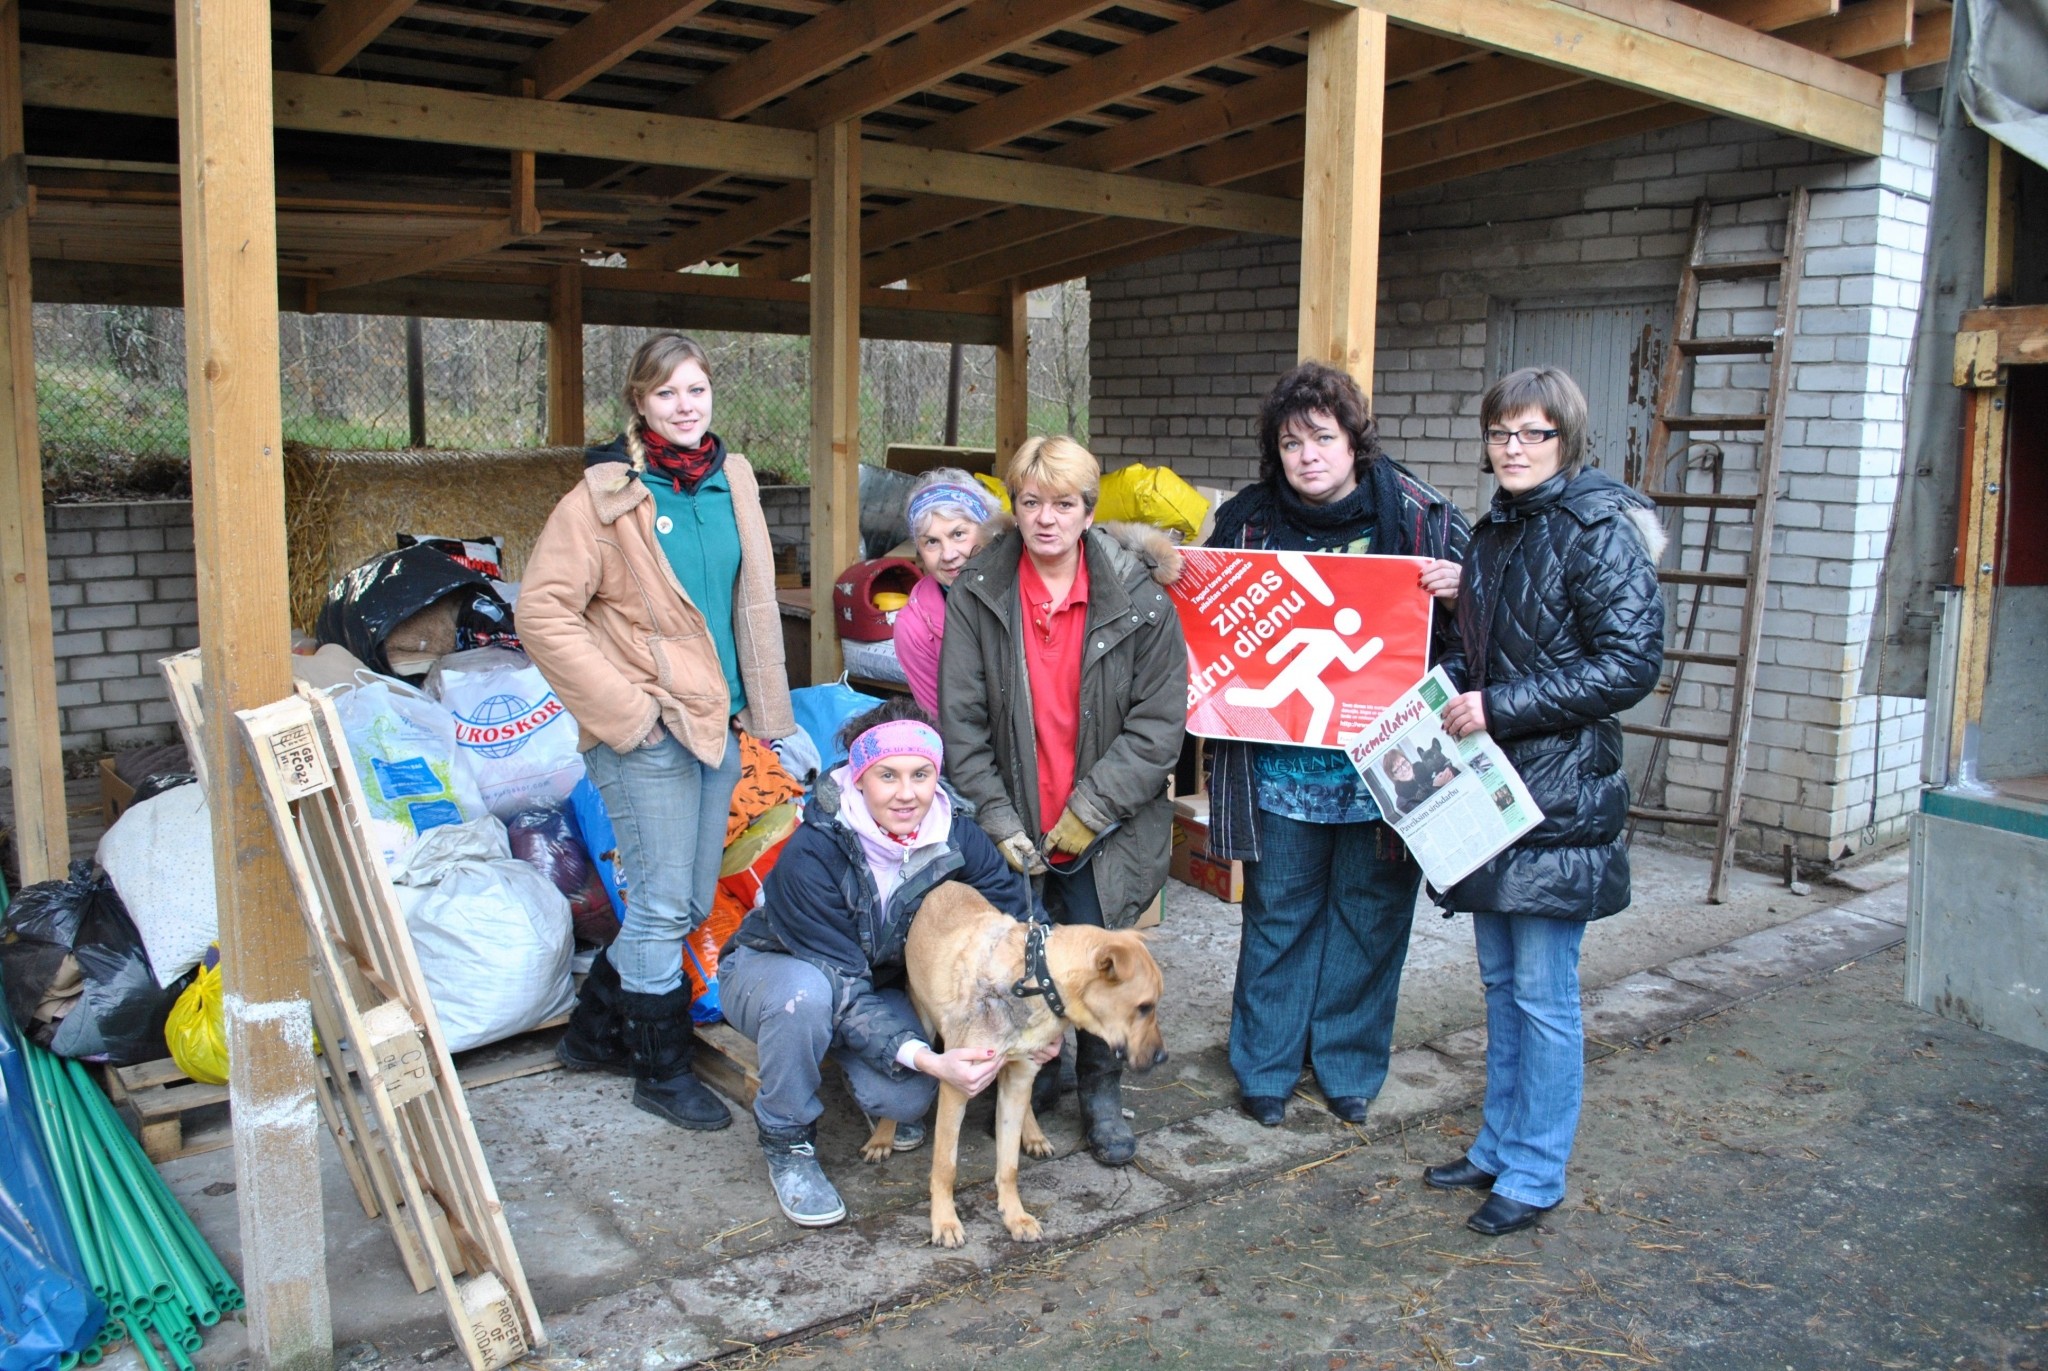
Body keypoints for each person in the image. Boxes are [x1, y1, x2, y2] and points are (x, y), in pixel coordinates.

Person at [521, 332, 793, 1132]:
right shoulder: (603, 498)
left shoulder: (731, 480)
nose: (685, 406)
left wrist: (764, 713)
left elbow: (752, 599)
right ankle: (660, 1067)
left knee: (686, 893)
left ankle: (591, 1034)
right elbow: (541, 612)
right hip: (646, 726)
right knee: (666, 901)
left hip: (719, 719)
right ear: (640, 403)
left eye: (697, 391)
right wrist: (626, 713)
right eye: (667, 393)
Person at [1424, 366, 1666, 1236]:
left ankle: (1535, 1169)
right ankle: (1498, 1143)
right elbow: (1499, 654)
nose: (1514, 449)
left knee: (1543, 990)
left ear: (1567, 440)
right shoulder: (1494, 535)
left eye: (1534, 434)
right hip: (1495, 798)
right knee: (1499, 984)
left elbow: (1630, 665)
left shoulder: (1596, 531)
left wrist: (1498, 705)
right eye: (1501, 434)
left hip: (1560, 793)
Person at [1203, 361, 1469, 1130]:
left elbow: (1478, 631)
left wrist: (1466, 590)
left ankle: (1349, 1066)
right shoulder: (1248, 524)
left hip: (1387, 771)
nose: (1308, 455)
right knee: (1279, 914)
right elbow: (1210, 625)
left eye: (1323, 437)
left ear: (1355, 442)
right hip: (1282, 767)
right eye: (1291, 442)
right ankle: (1266, 1067)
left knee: (1370, 914)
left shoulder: (1419, 517)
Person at [939, 434, 1188, 1167]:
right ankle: (1032, 1080)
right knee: (1027, 959)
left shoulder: (1140, 598)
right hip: (1017, 814)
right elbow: (963, 722)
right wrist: (996, 816)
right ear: (1016, 507)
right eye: (1032, 502)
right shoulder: (979, 590)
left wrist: (1089, 812)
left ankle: (1102, 1089)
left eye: (1066, 503)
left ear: (1088, 509)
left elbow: (1157, 724)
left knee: (1099, 950)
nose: (1047, 518)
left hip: (1104, 824)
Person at [719, 700, 1046, 1227]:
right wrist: (931, 1058)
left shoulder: (956, 836)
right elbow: (842, 987)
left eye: (920, 774)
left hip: (874, 984)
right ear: (858, 777)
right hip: (778, 970)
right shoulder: (815, 851)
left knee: (907, 1098)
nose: (906, 792)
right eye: (887, 775)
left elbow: (1022, 921)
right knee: (807, 999)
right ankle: (788, 1141)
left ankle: (864, 1076)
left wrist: (1039, 1009)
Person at [894, 469, 998, 715]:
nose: (949, 555)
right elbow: (945, 721)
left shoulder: (1026, 586)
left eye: (958, 534)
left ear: (988, 531)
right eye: (931, 542)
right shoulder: (913, 628)